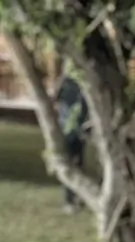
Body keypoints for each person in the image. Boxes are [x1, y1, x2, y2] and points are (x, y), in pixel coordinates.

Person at [55, 71, 89, 212]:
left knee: (76, 162)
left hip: (76, 128)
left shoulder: (81, 83)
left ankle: (74, 197)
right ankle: (70, 199)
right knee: (72, 162)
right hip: (70, 128)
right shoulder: (71, 82)